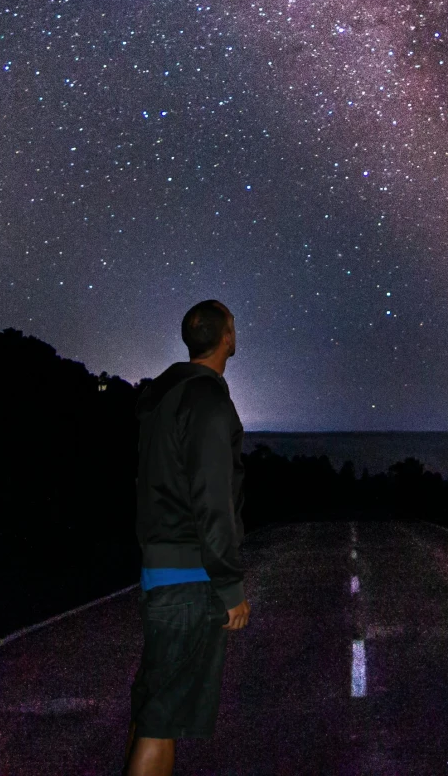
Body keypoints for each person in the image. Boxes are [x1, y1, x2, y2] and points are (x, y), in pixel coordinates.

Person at [124, 299, 248, 776]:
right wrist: (231, 588)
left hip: (160, 569)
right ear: (226, 339)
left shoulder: (164, 399)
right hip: (190, 578)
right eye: (233, 328)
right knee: (161, 722)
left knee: (155, 710)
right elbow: (213, 498)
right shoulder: (208, 401)